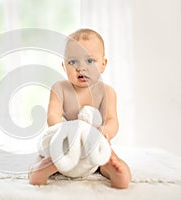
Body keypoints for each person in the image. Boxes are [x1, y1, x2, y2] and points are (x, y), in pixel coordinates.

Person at [28, 28, 131, 189]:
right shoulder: (59, 88)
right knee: (38, 161)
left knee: (112, 160)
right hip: (64, 144)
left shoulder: (107, 92)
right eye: (73, 62)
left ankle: (118, 172)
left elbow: (112, 120)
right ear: (64, 65)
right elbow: (52, 116)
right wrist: (64, 132)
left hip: (93, 146)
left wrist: (105, 132)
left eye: (90, 61)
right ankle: (47, 167)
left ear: (103, 64)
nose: (81, 68)